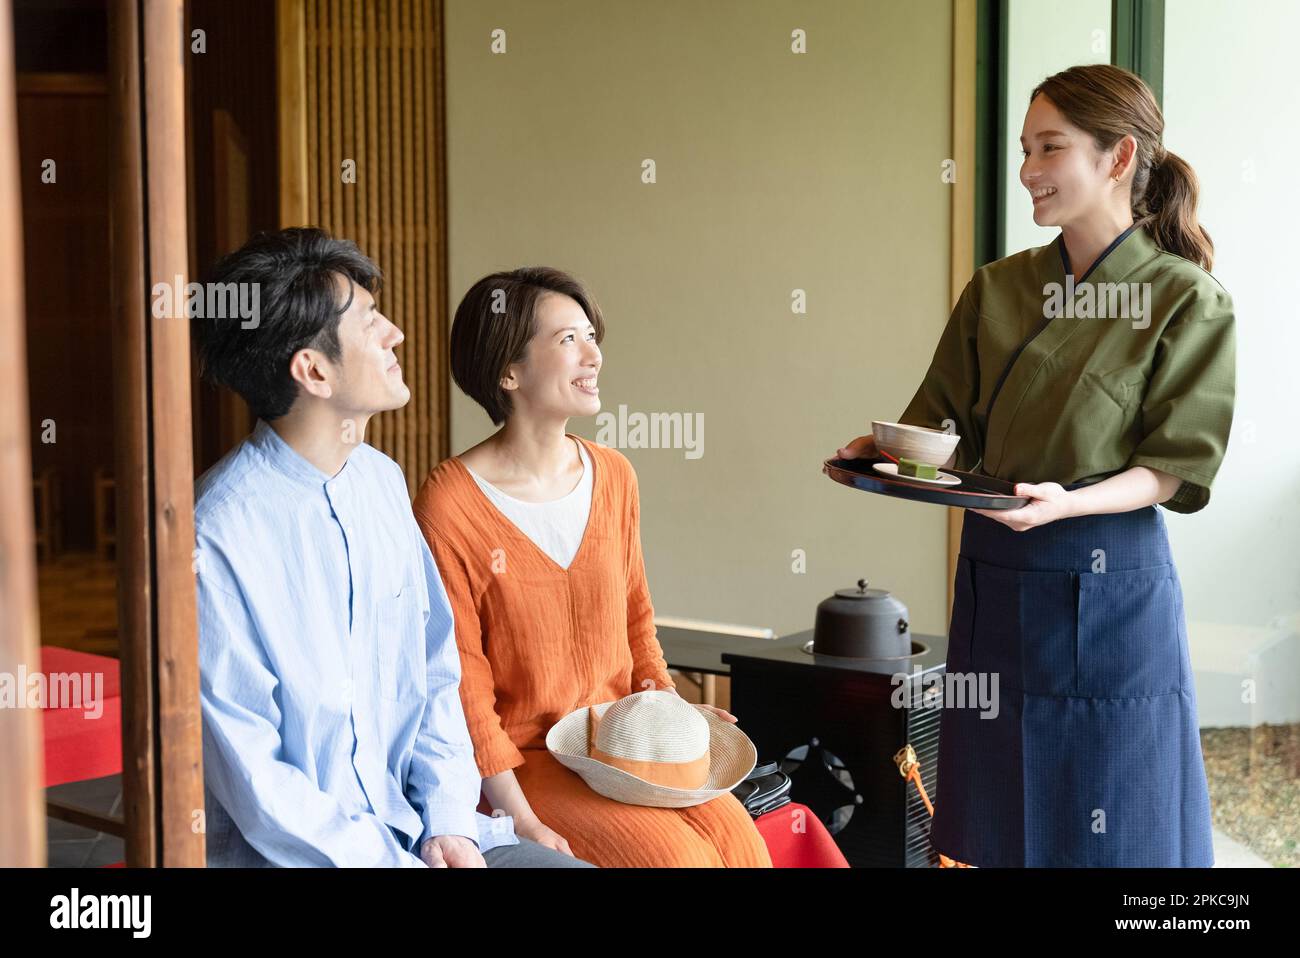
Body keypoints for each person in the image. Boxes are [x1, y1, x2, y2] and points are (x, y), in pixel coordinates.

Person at [837, 64, 1234, 867]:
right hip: (996, 577)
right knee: (999, 826)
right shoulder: (998, 288)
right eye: (1025, 149)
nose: (1028, 171)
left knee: (1120, 823)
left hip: (1110, 583)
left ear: (1119, 158)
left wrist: (1067, 503)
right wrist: (882, 454)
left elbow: (1171, 467)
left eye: (1050, 148)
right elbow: (938, 426)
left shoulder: (1186, 299)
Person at [191, 228, 591, 868]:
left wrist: (449, 822)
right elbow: (259, 786)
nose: (395, 335)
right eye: (371, 322)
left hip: (420, 832)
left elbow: (436, 674)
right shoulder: (215, 537)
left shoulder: (380, 481)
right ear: (313, 370)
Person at [412, 267, 772, 867]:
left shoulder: (615, 476)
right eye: (567, 340)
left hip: (621, 744)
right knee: (678, 862)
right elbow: (460, 686)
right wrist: (517, 816)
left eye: (591, 336)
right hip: (525, 765)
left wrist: (667, 715)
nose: (594, 355)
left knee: (740, 843)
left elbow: (638, 623)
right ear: (508, 372)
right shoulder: (449, 503)